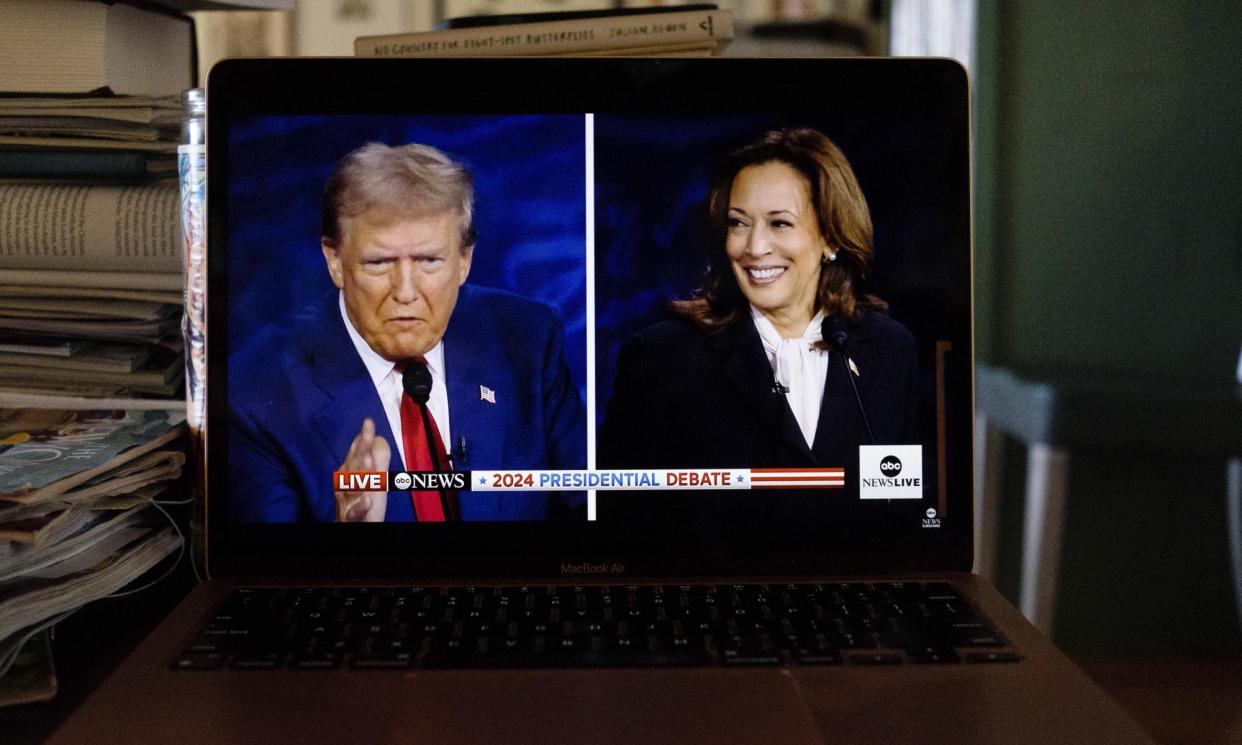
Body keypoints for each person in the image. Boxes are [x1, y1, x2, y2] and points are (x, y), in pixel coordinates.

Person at [229, 142, 585, 522]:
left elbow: (585, 512)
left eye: (429, 261)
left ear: (464, 261)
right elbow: (271, 574)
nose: (405, 292)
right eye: (380, 263)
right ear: (335, 261)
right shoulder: (257, 393)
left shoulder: (527, 340)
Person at [599, 128, 917, 474]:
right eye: (739, 223)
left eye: (780, 223)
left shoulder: (890, 351)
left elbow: (909, 496)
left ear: (831, 237)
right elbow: (624, 514)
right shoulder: (661, 357)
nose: (754, 247)